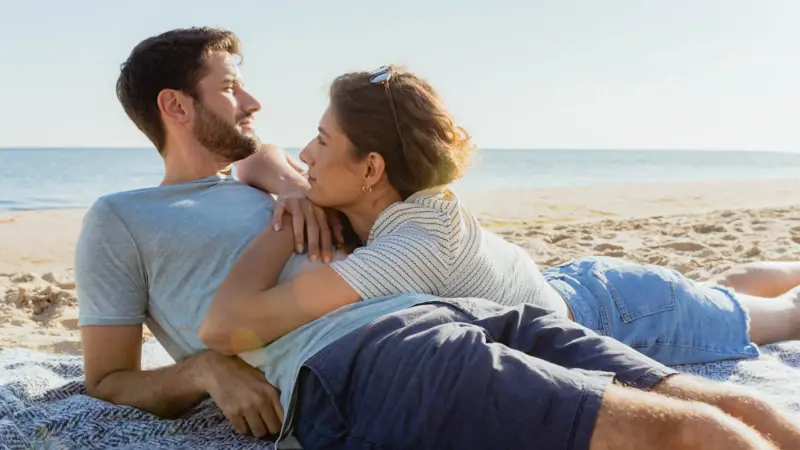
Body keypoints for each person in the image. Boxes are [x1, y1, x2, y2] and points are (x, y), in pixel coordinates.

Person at [77, 27, 799, 450]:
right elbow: (107, 380)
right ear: (175, 106)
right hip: (364, 357)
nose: (257, 101)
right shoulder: (122, 216)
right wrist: (205, 369)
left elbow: (275, 156)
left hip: (457, 311)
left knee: (736, 409)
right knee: (687, 437)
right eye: (232, 87)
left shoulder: (278, 175)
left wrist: (290, 188)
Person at [207, 65, 799, 368]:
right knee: (719, 288)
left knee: (782, 317)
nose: (306, 153)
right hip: (578, 284)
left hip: (625, 317)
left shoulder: (414, 245)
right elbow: (258, 155)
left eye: (321, 140)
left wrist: (280, 229)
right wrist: (296, 192)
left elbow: (223, 328)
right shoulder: (378, 197)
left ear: (371, 169)